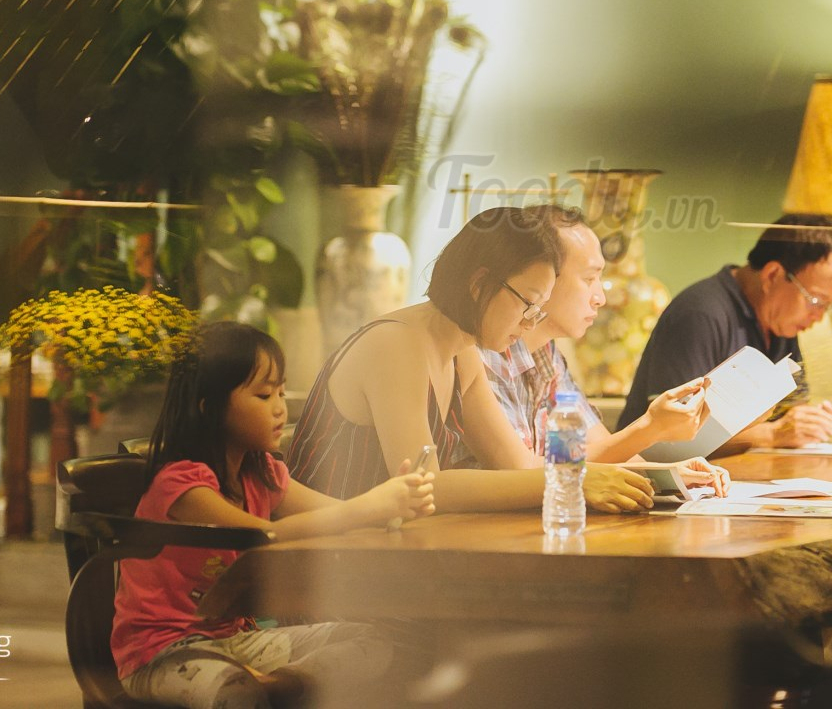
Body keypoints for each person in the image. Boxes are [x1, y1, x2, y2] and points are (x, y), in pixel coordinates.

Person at [110, 321, 435, 709]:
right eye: (264, 395)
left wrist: (394, 503)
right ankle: (268, 688)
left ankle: (278, 685)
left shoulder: (261, 471)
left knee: (377, 641)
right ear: (209, 408)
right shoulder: (180, 485)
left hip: (235, 642)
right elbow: (262, 536)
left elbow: (336, 513)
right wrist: (367, 507)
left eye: (281, 392)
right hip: (161, 654)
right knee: (235, 692)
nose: (281, 408)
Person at [287, 206, 656, 513]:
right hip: (324, 554)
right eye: (528, 304)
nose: (531, 323)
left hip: (389, 549)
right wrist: (570, 479)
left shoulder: (462, 353)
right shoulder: (395, 343)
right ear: (479, 285)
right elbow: (424, 484)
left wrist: (579, 475)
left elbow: (516, 467)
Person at [451, 204, 728, 491]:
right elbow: (522, 474)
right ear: (542, 277)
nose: (600, 298)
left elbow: (596, 451)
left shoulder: (548, 355)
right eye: (588, 279)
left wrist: (669, 474)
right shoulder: (480, 351)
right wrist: (650, 428)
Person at [616, 214, 832, 452]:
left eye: (828, 305)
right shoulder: (699, 314)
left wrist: (819, 422)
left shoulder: (781, 325)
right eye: (815, 300)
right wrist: (772, 434)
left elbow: (791, 414)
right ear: (772, 275)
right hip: (645, 473)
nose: (819, 316)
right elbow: (672, 433)